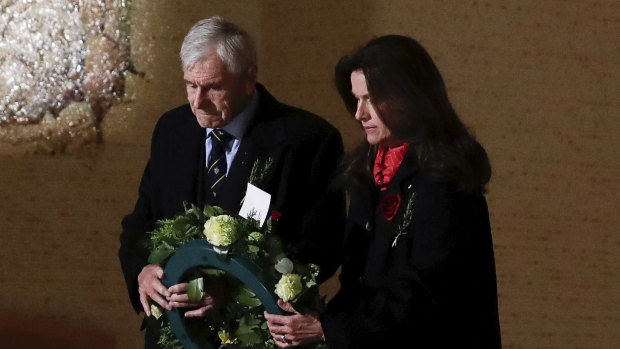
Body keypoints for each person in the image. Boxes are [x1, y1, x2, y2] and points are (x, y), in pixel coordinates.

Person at [118, 16, 345, 348]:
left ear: (250, 77)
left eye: (212, 87)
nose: (197, 101)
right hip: (173, 334)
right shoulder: (171, 130)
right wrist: (143, 271)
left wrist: (234, 287)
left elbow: (321, 249)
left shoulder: (309, 140)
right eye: (190, 85)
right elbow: (140, 223)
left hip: (256, 335)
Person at [264, 35, 502, 348]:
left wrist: (326, 330)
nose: (359, 114)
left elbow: (423, 295)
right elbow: (358, 286)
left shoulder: (446, 180)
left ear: (410, 96)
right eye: (356, 99)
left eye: (371, 99)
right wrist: (311, 322)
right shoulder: (367, 171)